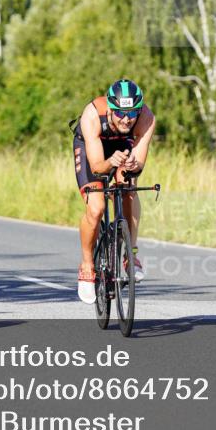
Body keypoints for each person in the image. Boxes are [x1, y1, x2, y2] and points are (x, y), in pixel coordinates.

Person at [71, 79, 157, 304]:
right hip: (94, 150)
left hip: (124, 146)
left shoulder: (146, 118)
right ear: (110, 108)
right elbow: (98, 166)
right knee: (96, 207)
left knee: (128, 188)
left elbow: (139, 162)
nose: (127, 119)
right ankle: (88, 265)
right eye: (120, 113)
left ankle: (131, 254)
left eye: (132, 113)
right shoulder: (92, 115)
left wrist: (130, 166)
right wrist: (110, 162)